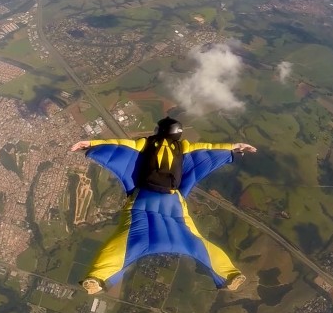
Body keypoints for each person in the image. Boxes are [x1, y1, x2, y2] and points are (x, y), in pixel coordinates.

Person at [70, 117, 257, 295]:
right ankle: (230, 274)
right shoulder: (184, 148)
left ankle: (98, 278)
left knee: (124, 242)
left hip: (143, 199)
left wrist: (92, 144)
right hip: (173, 202)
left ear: (158, 130)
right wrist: (235, 148)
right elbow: (209, 149)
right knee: (197, 242)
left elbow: (120, 146)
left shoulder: (145, 144)